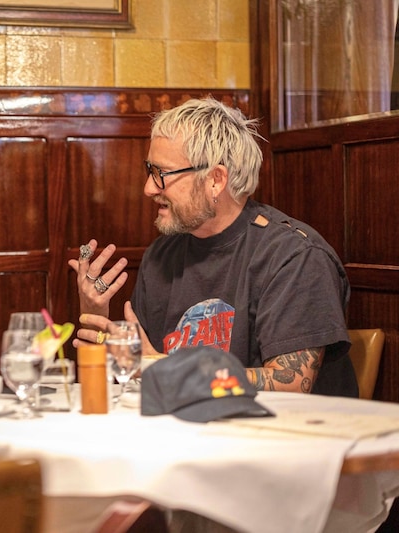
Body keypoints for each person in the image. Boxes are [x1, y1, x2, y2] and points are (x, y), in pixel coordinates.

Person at [69, 97, 358, 397]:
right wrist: (96, 317)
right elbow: (133, 379)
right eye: (149, 170)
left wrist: (163, 368)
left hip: (281, 437)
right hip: (187, 434)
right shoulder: (162, 255)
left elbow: (292, 384)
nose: (149, 188)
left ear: (216, 180)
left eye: (162, 174)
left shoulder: (294, 257)